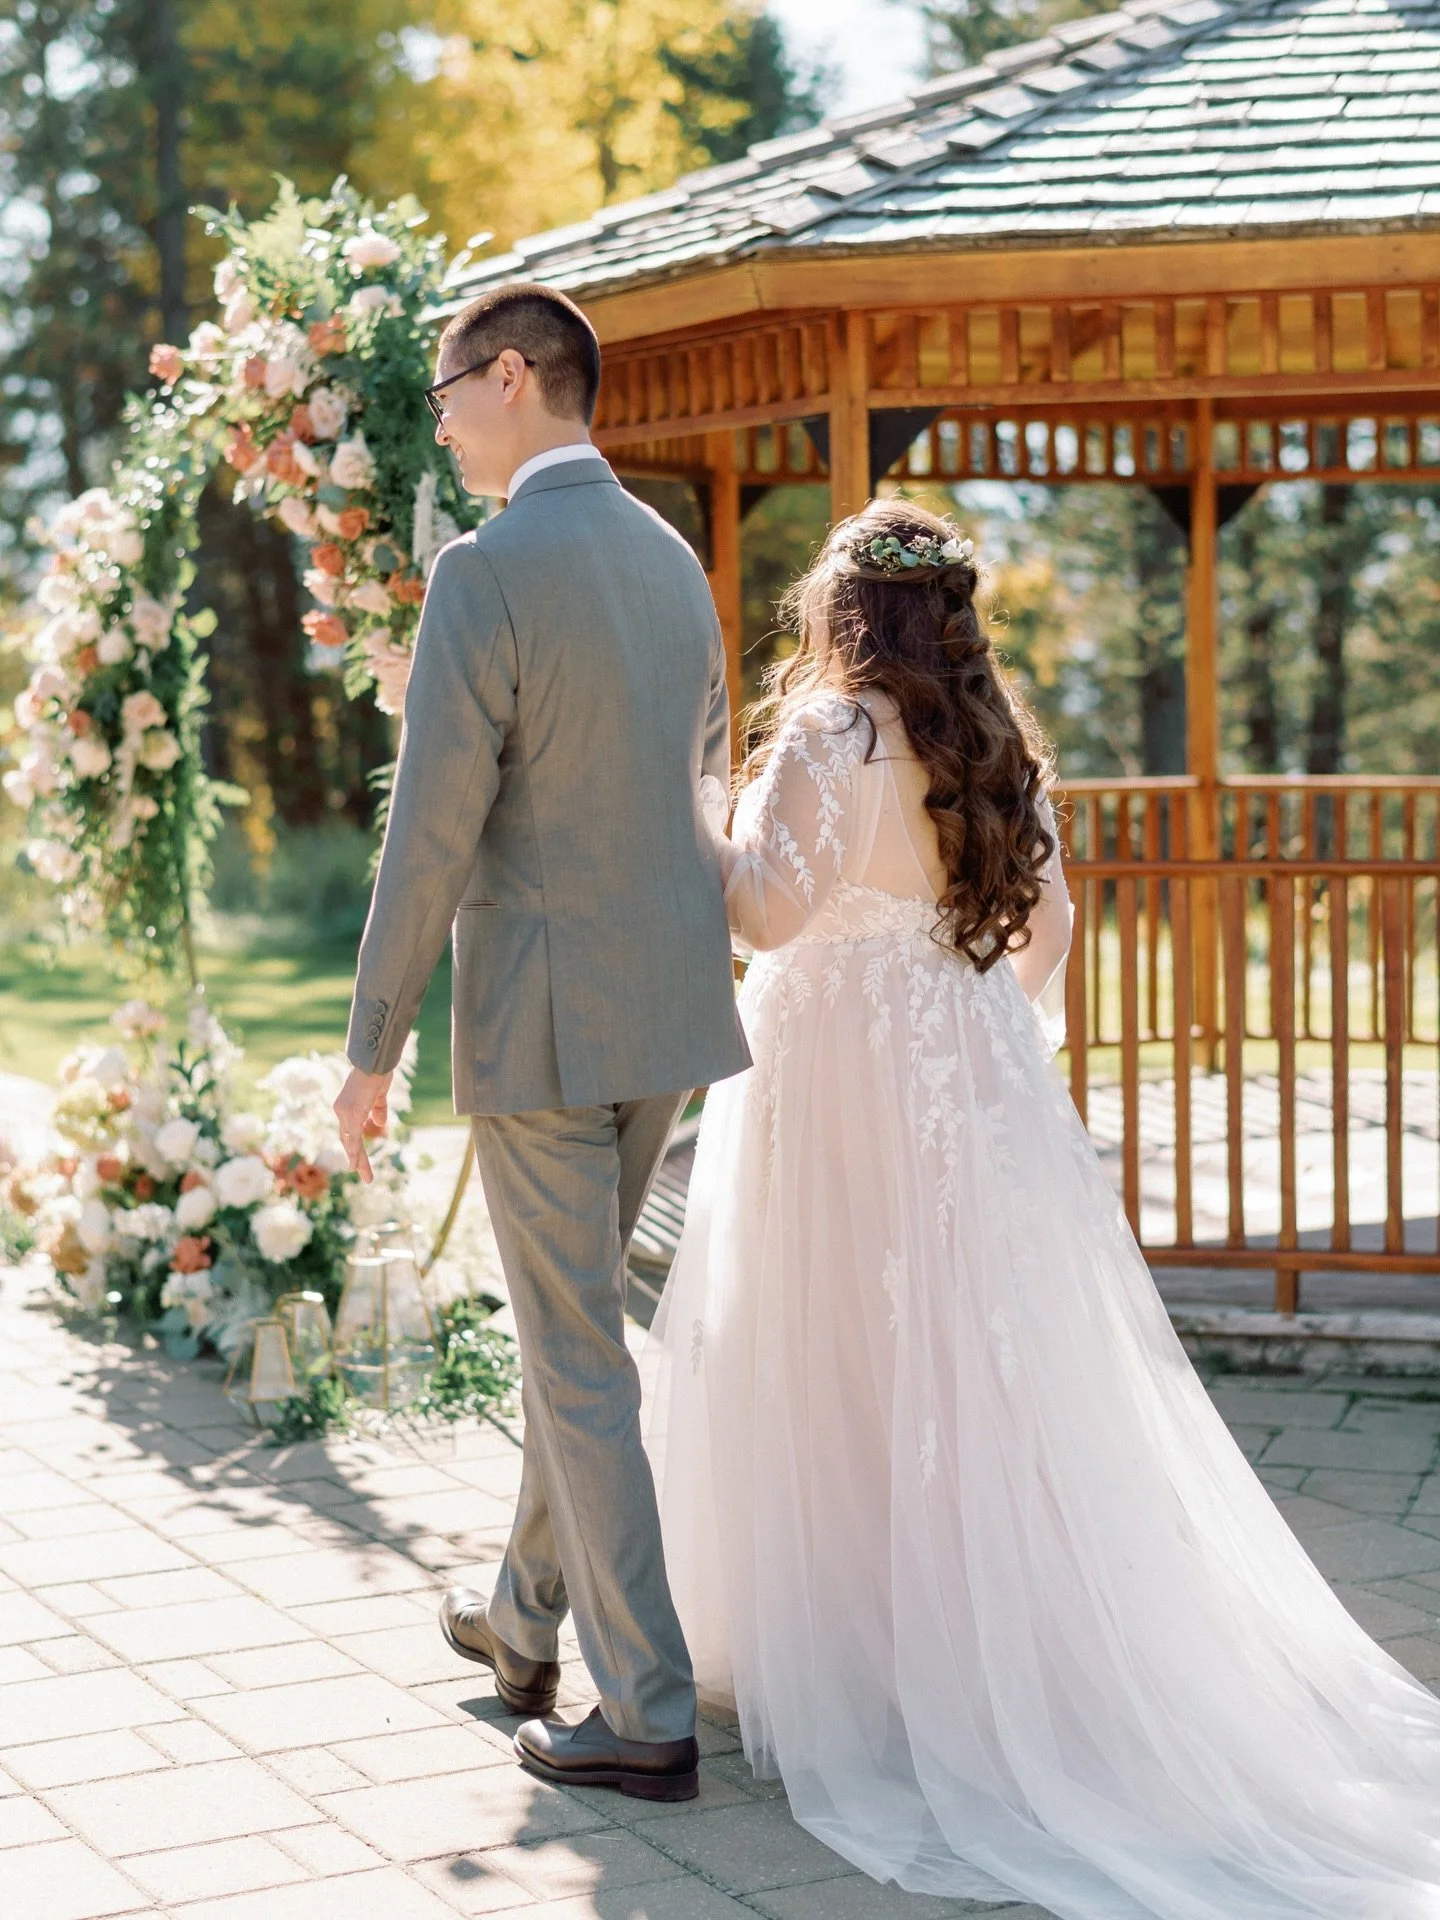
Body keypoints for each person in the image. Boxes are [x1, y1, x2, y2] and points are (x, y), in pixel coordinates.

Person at [646, 497, 1440, 1914]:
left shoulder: (833, 736)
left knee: (827, 1351)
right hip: (955, 1071)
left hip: (830, 1081)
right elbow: (1050, 933)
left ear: (849, 612)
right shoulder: (993, 743)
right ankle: (979, 1645)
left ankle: (851, 1658)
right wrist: (982, 1060)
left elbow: (765, 916)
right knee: (972, 1363)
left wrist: (699, 811)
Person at [333, 282, 749, 1803]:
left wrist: (369, 1043)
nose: (439, 417)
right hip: (669, 1012)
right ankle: (520, 1624)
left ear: (515, 378)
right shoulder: (673, 561)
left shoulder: (485, 570)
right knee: (577, 1337)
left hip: (547, 1020)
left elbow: (430, 829)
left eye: (448, 388)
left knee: (575, 1357)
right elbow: (705, 784)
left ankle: (643, 1709)